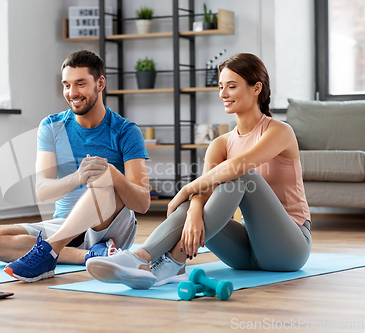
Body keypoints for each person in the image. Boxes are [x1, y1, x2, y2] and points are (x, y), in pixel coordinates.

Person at [86, 53, 312, 290]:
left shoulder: (280, 131)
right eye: (221, 87)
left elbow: (238, 166)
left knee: (242, 176)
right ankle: (141, 258)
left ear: (256, 88)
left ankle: (171, 262)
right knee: (193, 205)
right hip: (245, 253)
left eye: (231, 87)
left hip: (289, 248)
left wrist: (187, 188)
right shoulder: (220, 144)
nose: (223, 94)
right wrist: (193, 209)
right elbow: (204, 192)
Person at [0, 50, 150, 282]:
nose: (72, 93)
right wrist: (77, 177)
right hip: (63, 224)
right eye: (66, 85)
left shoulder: (126, 131)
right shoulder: (52, 126)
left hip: (108, 228)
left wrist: (112, 174)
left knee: (103, 177)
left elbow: (143, 202)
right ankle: (89, 256)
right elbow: (43, 191)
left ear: (100, 83)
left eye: (80, 84)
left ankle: (49, 252)